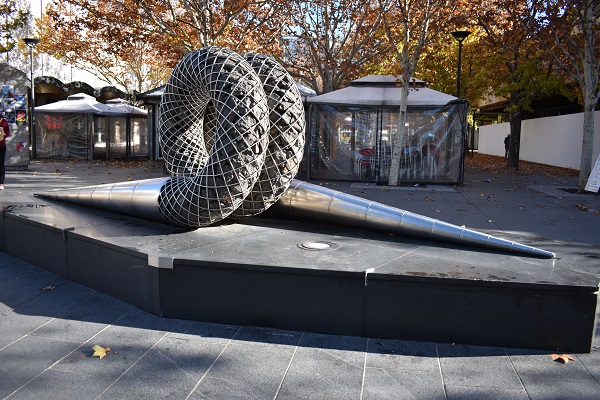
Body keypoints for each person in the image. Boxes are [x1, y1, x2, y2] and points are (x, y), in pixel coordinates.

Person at [0, 109, 10, 189]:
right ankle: (1, 183)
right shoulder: (4, 121)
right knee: (1, 164)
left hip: (1, 145)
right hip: (1, 144)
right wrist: (3, 136)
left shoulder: (3, 121)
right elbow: (8, 133)